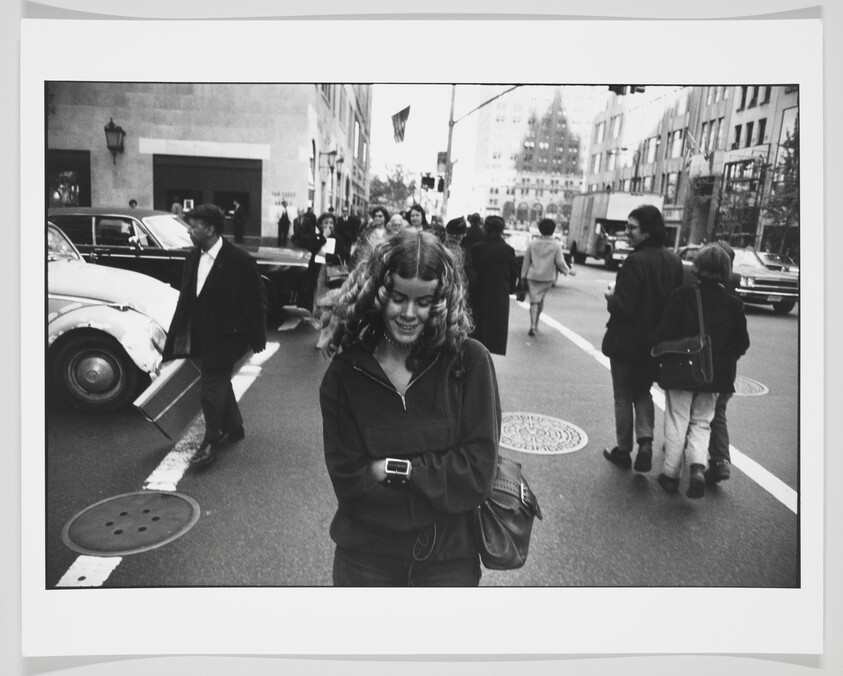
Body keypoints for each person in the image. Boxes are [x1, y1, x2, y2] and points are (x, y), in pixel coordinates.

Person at [318, 229, 500, 586]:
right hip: (365, 563)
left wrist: (394, 469)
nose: (409, 313)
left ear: (442, 300)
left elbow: (477, 474)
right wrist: (438, 491)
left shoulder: (469, 362)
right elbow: (351, 483)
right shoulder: (346, 373)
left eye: (423, 301)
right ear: (377, 293)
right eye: (398, 297)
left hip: (448, 564)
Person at [162, 204, 266, 469]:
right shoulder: (193, 257)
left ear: (210, 229)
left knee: (210, 386)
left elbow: (254, 302)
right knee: (218, 382)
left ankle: (211, 440)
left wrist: (256, 338)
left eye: (194, 226)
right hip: (199, 333)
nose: (189, 231)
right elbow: (187, 298)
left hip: (227, 336)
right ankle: (234, 427)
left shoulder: (239, 260)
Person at [650, 244, 750, 498]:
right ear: (726, 270)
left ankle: (671, 474)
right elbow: (742, 344)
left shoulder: (681, 296)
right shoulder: (734, 304)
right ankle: (697, 467)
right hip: (716, 376)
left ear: (698, 267)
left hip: (682, 371)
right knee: (702, 422)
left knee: (677, 419)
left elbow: (663, 333)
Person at [601, 204, 683, 473]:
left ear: (647, 231)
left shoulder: (635, 261)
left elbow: (624, 305)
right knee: (643, 391)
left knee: (623, 395)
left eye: (632, 227)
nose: (627, 232)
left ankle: (624, 450)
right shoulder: (674, 261)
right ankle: (645, 442)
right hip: (654, 343)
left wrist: (610, 298)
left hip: (626, 341)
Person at [465, 215, 518, 355]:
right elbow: (513, 274)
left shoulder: (476, 248)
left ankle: (475, 358)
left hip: (478, 294)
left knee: (478, 329)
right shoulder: (508, 250)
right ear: (502, 230)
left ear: (485, 228)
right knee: (495, 330)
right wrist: (510, 290)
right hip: (499, 295)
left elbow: (470, 271)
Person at [521, 218, 576, 336]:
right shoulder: (556, 245)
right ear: (553, 230)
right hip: (547, 277)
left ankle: (532, 325)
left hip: (533, 276)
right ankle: (536, 322)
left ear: (540, 230)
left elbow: (526, 261)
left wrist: (522, 276)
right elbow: (560, 262)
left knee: (533, 300)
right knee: (540, 299)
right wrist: (569, 271)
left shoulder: (533, 243)